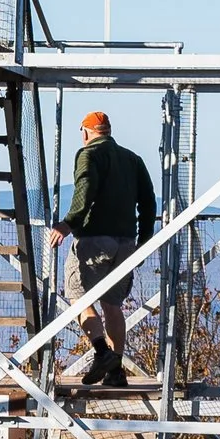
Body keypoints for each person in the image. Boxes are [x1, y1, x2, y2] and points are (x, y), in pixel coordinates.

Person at [55, 106, 155, 389]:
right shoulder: (133, 159)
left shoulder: (88, 154)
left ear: (86, 133)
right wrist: (144, 242)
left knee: (78, 298)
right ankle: (116, 371)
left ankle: (102, 352)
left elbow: (84, 190)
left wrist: (68, 223)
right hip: (126, 243)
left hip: (93, 241)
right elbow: (148, 202)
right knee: (112, 305)